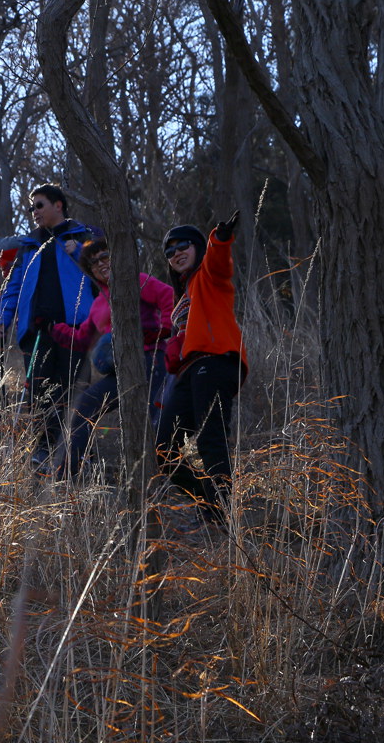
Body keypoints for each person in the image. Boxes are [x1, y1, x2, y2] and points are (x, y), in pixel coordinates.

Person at [50, 239, 174, 479]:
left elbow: (168, 296)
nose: (100, 264)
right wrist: (53, 330)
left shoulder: (135, 280)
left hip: (149, 360)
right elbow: (83, 338)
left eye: (104, 256)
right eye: (93, 262)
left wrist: (164, 329)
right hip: (118, 370)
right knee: (85, 406)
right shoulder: (98, 303)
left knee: (148, 418)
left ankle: (159, 477)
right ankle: (68, 475)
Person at [0, 183, 96, 469]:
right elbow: (13, 286)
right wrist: (3, 318)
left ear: (58, 205)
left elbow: (102, 272)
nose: (34, 212)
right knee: (40, 391)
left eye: (39, 205)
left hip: (76, 327)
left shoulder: (83, 236)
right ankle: (44, 449)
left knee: (76, 388)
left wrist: (78, 252)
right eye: (31, 207)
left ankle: (80, 452)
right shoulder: (29, 246)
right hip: (37, 329)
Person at [155, 211, 248, 522]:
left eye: (183, 246)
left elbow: (219, 262)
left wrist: (219, 239)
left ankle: (223, 516)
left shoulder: (208, 277)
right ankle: (211, 501)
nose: (176, 254)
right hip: (188, 371)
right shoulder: (182, 294)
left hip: (215, 360)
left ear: (197, 247)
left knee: (210, 440)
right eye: (169, 251)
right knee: (163, 450)